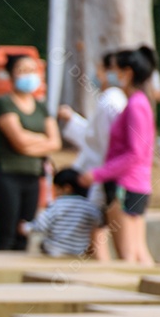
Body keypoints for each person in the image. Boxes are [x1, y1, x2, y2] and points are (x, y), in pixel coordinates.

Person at [81, 46, 159, 265]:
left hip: (126, 184)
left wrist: (98, 174)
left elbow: (135, 152)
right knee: (137, 252)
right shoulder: (139, 103)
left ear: (127, 72)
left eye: (114, 69)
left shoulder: (135, 105)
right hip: (137, 184)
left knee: (128, 256)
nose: (109, 75)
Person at [0, 54, 62, 251]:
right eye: (22, 70)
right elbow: (18, 141)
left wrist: (31, 142)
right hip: (6, 176)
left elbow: (55, 142)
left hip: (32, 178)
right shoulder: (5, 103)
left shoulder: (41, 107)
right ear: (11, 75)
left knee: (24, 236)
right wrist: (41, 140)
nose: (29, 75)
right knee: (7, 236)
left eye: (33, 70)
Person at [57, 51, 127, 260]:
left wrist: (100, 174)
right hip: (105, 175)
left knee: (119, 242)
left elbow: (101, 142)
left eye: (99, 70)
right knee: (97, 232)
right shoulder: (113, 100)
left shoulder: (111, 100)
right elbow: (95, 138)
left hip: (107, 177)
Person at [18, 168, 102, 257]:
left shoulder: (57, 205)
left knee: (42, 244)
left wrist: (25, 228)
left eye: (57, 189)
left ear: (67, 188)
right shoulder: (90, 207)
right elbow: (99, 223)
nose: (56, 193)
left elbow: (41, 224)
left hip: (53, 251)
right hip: (78, 252)